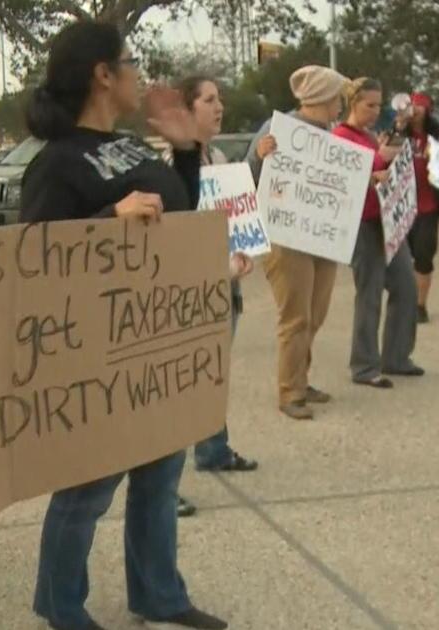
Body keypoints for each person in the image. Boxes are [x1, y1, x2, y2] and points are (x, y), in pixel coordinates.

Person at [20, 21, 228, 630]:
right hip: (96, 359)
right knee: (88, 489)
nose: (141, 74)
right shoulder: (56, 163)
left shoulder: (135, 148)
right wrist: (111, 215)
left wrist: (187, 152)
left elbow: (180, 216)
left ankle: (160, 595)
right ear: (102, 75)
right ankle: (60, 607)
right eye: (130, 62)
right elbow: (33, 257)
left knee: (161, 477)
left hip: (154, 347)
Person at [167, 75, 260, 520]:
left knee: (213, 374)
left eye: (220, 99)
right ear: (188, 109)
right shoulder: (168, 164)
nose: (218, 106)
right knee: (180, 385)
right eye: (208, 100)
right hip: (189, 291)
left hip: (227, 284)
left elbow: (234, 217)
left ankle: (213, 448)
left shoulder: (220, 158)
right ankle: (162, 487)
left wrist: (244, 250)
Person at [245, 64, 349, 421]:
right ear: (322, 97)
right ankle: (289, 393)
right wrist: (260, 154)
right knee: (295, 318)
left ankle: (301, 380)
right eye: (338, 97)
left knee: (315, 316)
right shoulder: (278, 128)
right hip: (285, 239)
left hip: (321, 238)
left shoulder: (330, 134)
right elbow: (248, 176)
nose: (341, 104)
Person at [332, 78, 425, 388]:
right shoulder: (341, 137)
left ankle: (397, 357)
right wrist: (375, 172)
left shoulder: (371, 137)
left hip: (386, 220)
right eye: (368, 104)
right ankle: (364, 365)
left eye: (377, 105)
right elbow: (344, 178)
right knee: (369, 293)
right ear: (352, 103)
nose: (374, 111)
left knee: (406, 286)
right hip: (362, 223)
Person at [403, 92, 439, 324]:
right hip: (402, 207)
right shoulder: (400, 134)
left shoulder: (436, 139)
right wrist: (399, 126)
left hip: (428, 207)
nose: (416, 110)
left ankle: (420, 305)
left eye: (420, 107)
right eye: (413, 106)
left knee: (424, 257)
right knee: (401, 259)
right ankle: (404, 301)